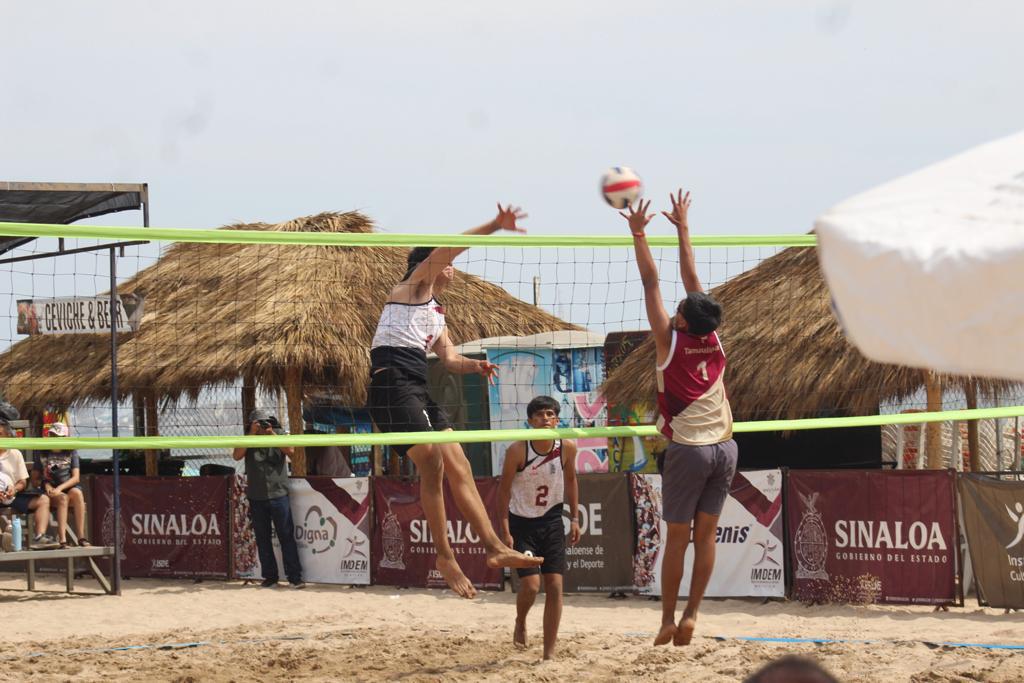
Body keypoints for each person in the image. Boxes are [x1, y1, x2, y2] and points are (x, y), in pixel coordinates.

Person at [367, 204, 542, 599]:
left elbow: (448, 360)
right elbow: (451, 249)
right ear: (424, 266)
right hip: (390, 381)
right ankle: (445, 556)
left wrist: (475, 368)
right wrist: (496, 226)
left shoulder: (435, 313)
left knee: (456, 460)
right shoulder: (411, 289)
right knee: (433, 459)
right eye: (438, 263)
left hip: (417, 381)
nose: (449, 267)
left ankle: (494, 547)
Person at [620, 190, 739, 646]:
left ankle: (668, 620)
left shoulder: (669, 341)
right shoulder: (713, 339)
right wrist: (683, 228)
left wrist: (639, 234)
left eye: (680, 311)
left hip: (689, 452)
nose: (676, 308)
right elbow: (693, 283)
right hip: (726, 448)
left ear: (684, 322)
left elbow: (652, 283)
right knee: (705, 537)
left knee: (677, 539)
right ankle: (692, 614)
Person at [497, 395, 580, 660]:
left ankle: (548, 653)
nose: (546, 419)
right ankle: (521, 620)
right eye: (540, 415)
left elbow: (572, 480)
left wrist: (575, 518)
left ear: (557, 419)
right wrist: (505, 528)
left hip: (552, 521)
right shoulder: (518, 450)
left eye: (550, 414)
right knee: (532, 586)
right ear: (530, 421)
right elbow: (503, 490)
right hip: (522, 523)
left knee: (555, 586)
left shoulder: (567, 447)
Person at [231, 409, 305, 589]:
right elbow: (236, 456)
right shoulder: (247, 438)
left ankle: (294, 577)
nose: (262, 426)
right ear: (251, 424)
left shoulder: (278, 434)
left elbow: (291, 451)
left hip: (278, 494)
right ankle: (270, 577)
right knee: (263, 538)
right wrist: (252, 434)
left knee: (286, 536)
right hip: (257, 495)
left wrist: (271, 433)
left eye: (265, 422)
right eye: (259, 423)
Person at [0, 414, 59, 549]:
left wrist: (13, 489)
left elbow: (22, 482)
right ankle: (4, 537)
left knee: (43, 500)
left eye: (0, 434)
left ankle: (39, 537)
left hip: (11, 495)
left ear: (8, 436)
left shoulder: (15, 453)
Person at [33, 422, 87, 546]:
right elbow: (34, 479)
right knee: (63, 498)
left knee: (77, 493)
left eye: (60, 436)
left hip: (66, 487)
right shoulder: (42, 452)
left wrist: (60, 488)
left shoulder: (71, 451)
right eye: (53, 436)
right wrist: (46, 485)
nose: (56, 439)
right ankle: (62, 539)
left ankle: (81, 537)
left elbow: (76, 478)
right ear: (49, 436)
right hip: (49, 492)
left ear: (65, 438)